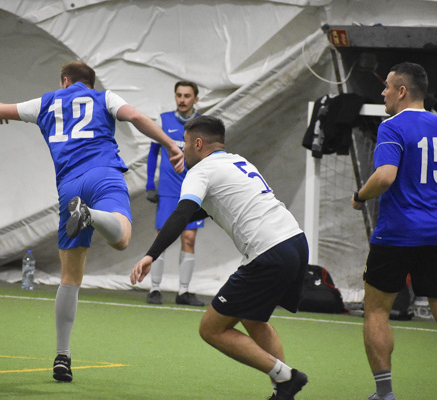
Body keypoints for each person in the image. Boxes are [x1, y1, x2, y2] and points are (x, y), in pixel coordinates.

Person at [0, 61, 184, 383]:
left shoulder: (46, 102)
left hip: (69, 187)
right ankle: (91, 215)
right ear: (90, 82)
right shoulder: (104, 97)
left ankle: (62, 355)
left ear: (65, 81)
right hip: (103, 174)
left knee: (70, 277)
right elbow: (135, 116)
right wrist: (171, 145)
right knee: (122, 238)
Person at [130, 115, 309, 400]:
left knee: (211, 329)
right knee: (253, 319)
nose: (182, 149)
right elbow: (205, 208)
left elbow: (183, 213)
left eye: (185, 143)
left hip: (269, 251)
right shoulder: (238, 161)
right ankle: (282, 391)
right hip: (295, 242)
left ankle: (286, 377)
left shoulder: (200, 171)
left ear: (198, 144)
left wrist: (151, 254)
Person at [351, 62, 437, 400]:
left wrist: (360, 196)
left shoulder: (392, 127)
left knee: (377, 310)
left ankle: (384, 393)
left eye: (387, 87)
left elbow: (385, 176)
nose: (383, 93)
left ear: (402, 91)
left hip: (396, 234)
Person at [145, 81, 205, 306]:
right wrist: (150, 185)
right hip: (168, 190)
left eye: (187, 96)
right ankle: (154, 289)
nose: (182, 99)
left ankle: (184, 292)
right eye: (179, 95)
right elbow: (153, 153)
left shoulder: (203, 125)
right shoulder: (163, 120)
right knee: (162, 236)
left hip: (193, 191)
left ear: (195, 99)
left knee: (189, 238)